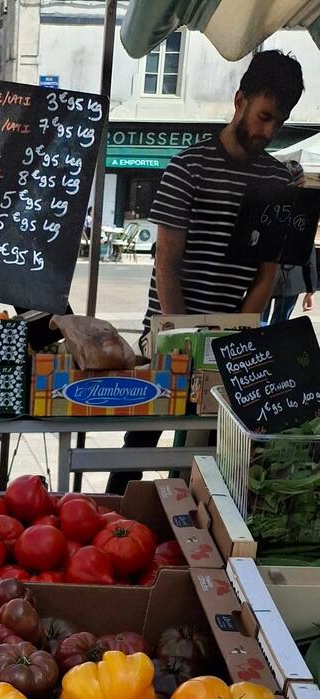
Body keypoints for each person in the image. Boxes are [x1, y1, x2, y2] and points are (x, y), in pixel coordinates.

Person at [107, 48, 305, 494]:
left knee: (215, 449)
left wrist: (236, 335)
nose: (268, 132)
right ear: (239, 101)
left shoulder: (277, 182)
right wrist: (184, 339)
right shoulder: (187, 169)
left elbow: (266, 273)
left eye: (278, 123)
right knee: (142, 437)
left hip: (232, 339)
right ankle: (117, 506)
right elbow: (167, 264)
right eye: (263, 117)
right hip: (171, 330)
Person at [265, 162, 316, 325]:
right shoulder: (305, 209)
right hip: (291, 279)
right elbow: (308, 253)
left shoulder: (265, 204)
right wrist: (310, 289)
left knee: (258, 324)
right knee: (280, 325)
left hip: (264, 277)